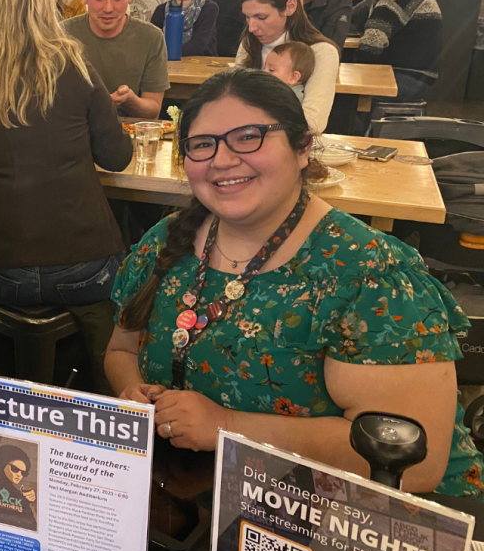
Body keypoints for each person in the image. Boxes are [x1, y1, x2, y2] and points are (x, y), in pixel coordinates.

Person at [106, 68, 484, 499]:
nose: (223, 159)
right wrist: (130, 391)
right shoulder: (165, 243)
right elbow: (120, 349)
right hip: (206, 497)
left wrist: (227, 427)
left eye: (249, 136)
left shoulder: (368, 276)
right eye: (203, 144)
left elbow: (417, 467)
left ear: (302, 148)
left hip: (369, 518)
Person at [0, 0, 132, 391]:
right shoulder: (76, 70)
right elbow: (117, 157)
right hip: (84, 264)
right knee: (117, 344)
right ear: (47, 11)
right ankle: (107, 407)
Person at [63, 0, 169, 119]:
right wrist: (98, 103)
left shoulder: (151, 38)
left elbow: (153, 108)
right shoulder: (62, 36)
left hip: (130, 136)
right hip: (76, 132)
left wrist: (130, 100)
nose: (108, 8)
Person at [235, 0, 339, 134]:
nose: (252, 27)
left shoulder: (321, 52)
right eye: (247, 17)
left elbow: (313, 122)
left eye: (261, 17)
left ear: (290, 7)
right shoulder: (249, 42)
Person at [355, 0, 443, 103]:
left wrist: (356, 73)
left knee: (344, 97)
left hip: (405, 77)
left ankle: (363, 129)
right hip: (418, 77)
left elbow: (371, 44)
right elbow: (373, 28)